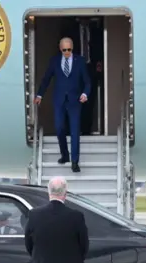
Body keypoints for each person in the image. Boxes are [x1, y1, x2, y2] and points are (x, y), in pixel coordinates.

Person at [35, 37, 92, 173]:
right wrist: (39, 95)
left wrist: (85, 94)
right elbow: (46, 79)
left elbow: (87, 82)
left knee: (74, 131)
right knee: (59, 128)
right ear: (60, 49)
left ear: (72, 48)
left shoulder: (80, 61)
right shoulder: (54, 61)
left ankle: (75, 162)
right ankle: (64, 155)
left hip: (75, 101)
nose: (67, 52)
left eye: (69, 50)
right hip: (59, 100)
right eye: (64, 50)